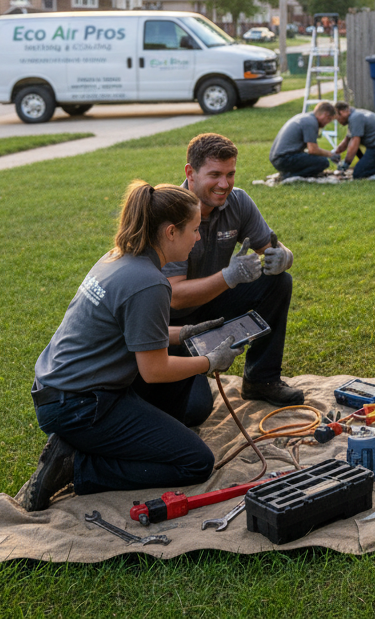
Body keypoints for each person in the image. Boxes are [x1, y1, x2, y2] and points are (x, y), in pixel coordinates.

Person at [21, 180, 245, 512]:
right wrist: (210, 362)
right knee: (196, 463)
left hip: (61, 390)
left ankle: (93, 446)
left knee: (188, 400)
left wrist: (184, 333)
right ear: (171, 232)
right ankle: (76, 465)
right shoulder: (149, 283)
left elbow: (130, 331)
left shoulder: (119, 257)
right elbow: (154, 371)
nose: (198, 238)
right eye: (194, 230)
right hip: (81, 406)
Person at [165, 132, 303, 407]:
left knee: (278, 281)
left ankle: (261, 379)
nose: (224, 184)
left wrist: (283, 256)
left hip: (213, 302)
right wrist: (229, 276)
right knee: (194, 409)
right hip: (170, 323)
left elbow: (271, 247)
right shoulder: (169, 212)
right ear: (190, 172)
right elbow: (174, 297)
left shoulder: (237, 202)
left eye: (230, 174)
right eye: (215, 174)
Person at [268, 101, 338, 178]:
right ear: (325, 115)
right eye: (329, 120)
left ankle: (289, 173)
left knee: (316, 159)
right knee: (323, 162)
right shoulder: (311, 123)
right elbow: (313, 150)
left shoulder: (304, 117)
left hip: (277, 158)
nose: (327, 123)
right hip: (284, 159)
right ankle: (290, 176)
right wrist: (331, 154)